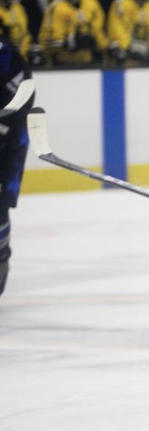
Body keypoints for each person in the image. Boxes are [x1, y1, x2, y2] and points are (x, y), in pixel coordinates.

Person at [0, 37, 34, 296]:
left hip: (7, 145)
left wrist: (3, 124)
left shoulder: (8, 57)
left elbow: (24, 95)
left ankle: (0, 264)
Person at [38, 0, 107, 66]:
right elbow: (47, 42)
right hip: (61, 64)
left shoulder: (91, 4)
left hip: (88, 62)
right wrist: (70, 42)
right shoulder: (55, 8)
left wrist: (101, 46)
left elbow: (98, 32)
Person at [106, 0, 149, 64]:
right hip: (124, 53)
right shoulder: (121, 3)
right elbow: (115, 30)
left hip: (144, 55)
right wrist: (128, 50)